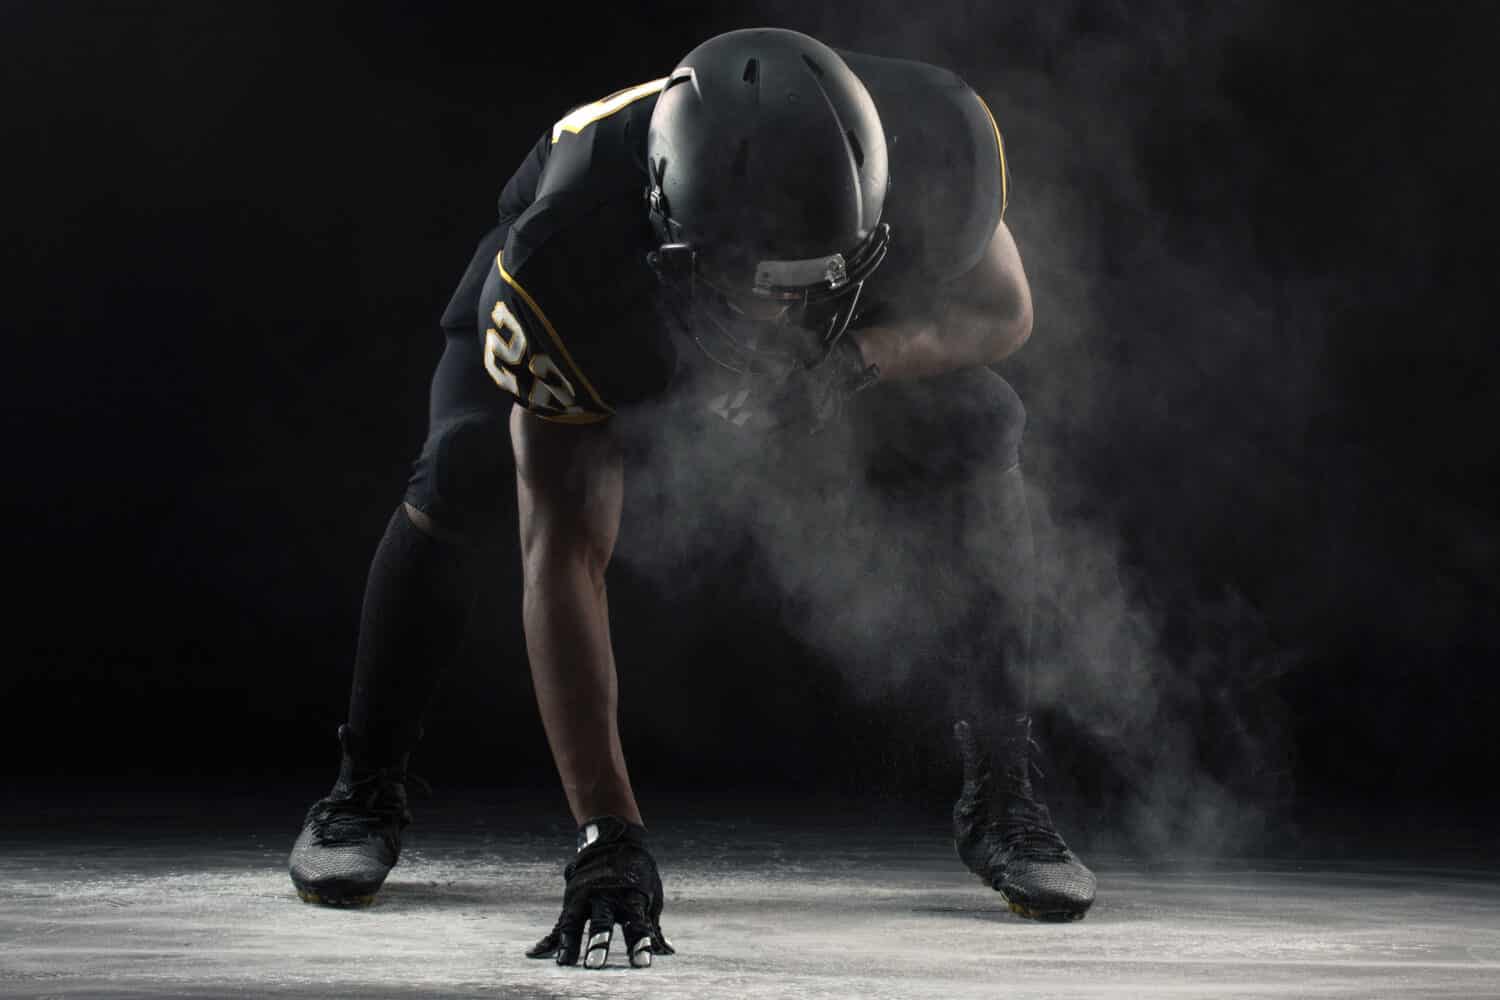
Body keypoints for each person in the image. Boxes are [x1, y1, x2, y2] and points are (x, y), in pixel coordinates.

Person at [287, 27, 1096, 969]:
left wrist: (856, 360)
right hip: (628, 315)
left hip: (843, 316)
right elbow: (565, 549)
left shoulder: (932, 143)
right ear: (670, 222)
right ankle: (364, 783)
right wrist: (609, 833)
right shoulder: (568, 252)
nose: (774, 317)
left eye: (800, 288)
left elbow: (1004, 310)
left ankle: (1003, 790)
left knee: (980, 429)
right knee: (464, 462)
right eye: (754, 290)